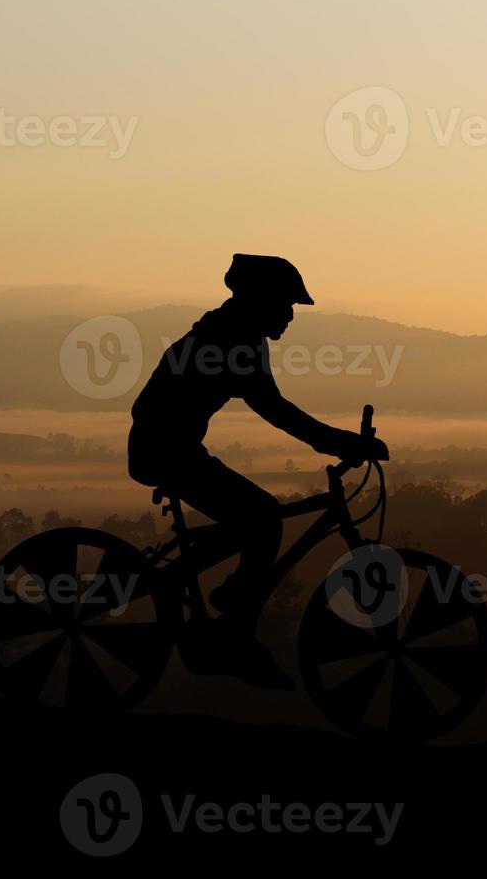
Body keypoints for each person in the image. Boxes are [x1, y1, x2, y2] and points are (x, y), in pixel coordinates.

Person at [128, 254, 388, 689]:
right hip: (166, 451)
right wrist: (343, 442)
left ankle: (213, 599)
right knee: (263, 519)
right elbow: (276, 410)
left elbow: (275, 407)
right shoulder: (228, 340)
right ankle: (233, 628)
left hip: (173, 449)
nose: (289, 316)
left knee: (254, 521)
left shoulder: (234, 334)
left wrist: (339, 440)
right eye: (285, 305)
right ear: (260, 301)